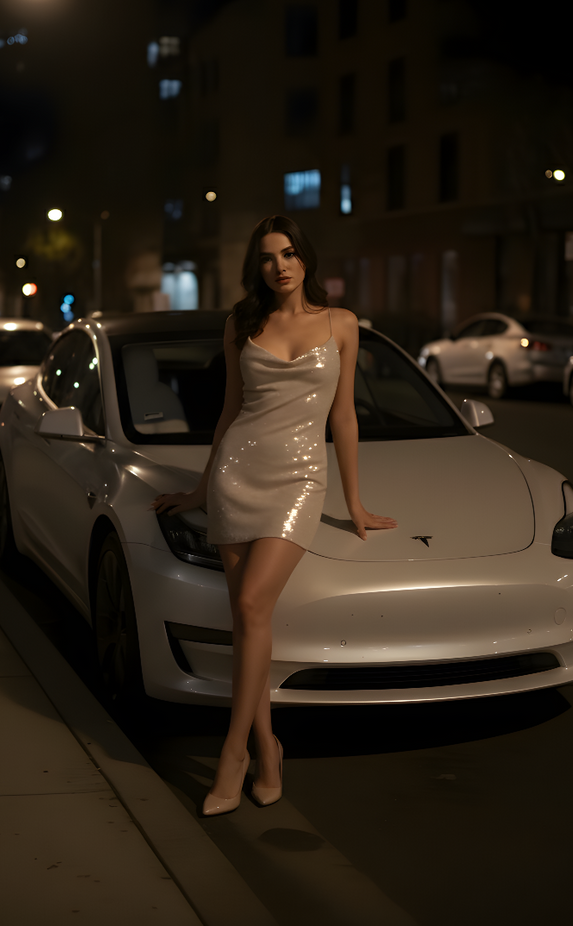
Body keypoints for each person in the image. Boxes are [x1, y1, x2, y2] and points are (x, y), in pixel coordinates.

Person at [152, 215, 396, 815]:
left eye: (289, 254)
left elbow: (343, 418)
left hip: (299, 479)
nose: (279, 266)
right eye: (267, 258)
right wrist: (203, 489)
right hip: (239, 472)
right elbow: (230, 410)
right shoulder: (241, 323)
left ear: (306, 259)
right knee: (247, 620)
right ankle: (268, 746)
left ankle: (231, 751)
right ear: (256, 267)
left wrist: (354, 501)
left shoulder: (341, 325)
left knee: (253, 606)